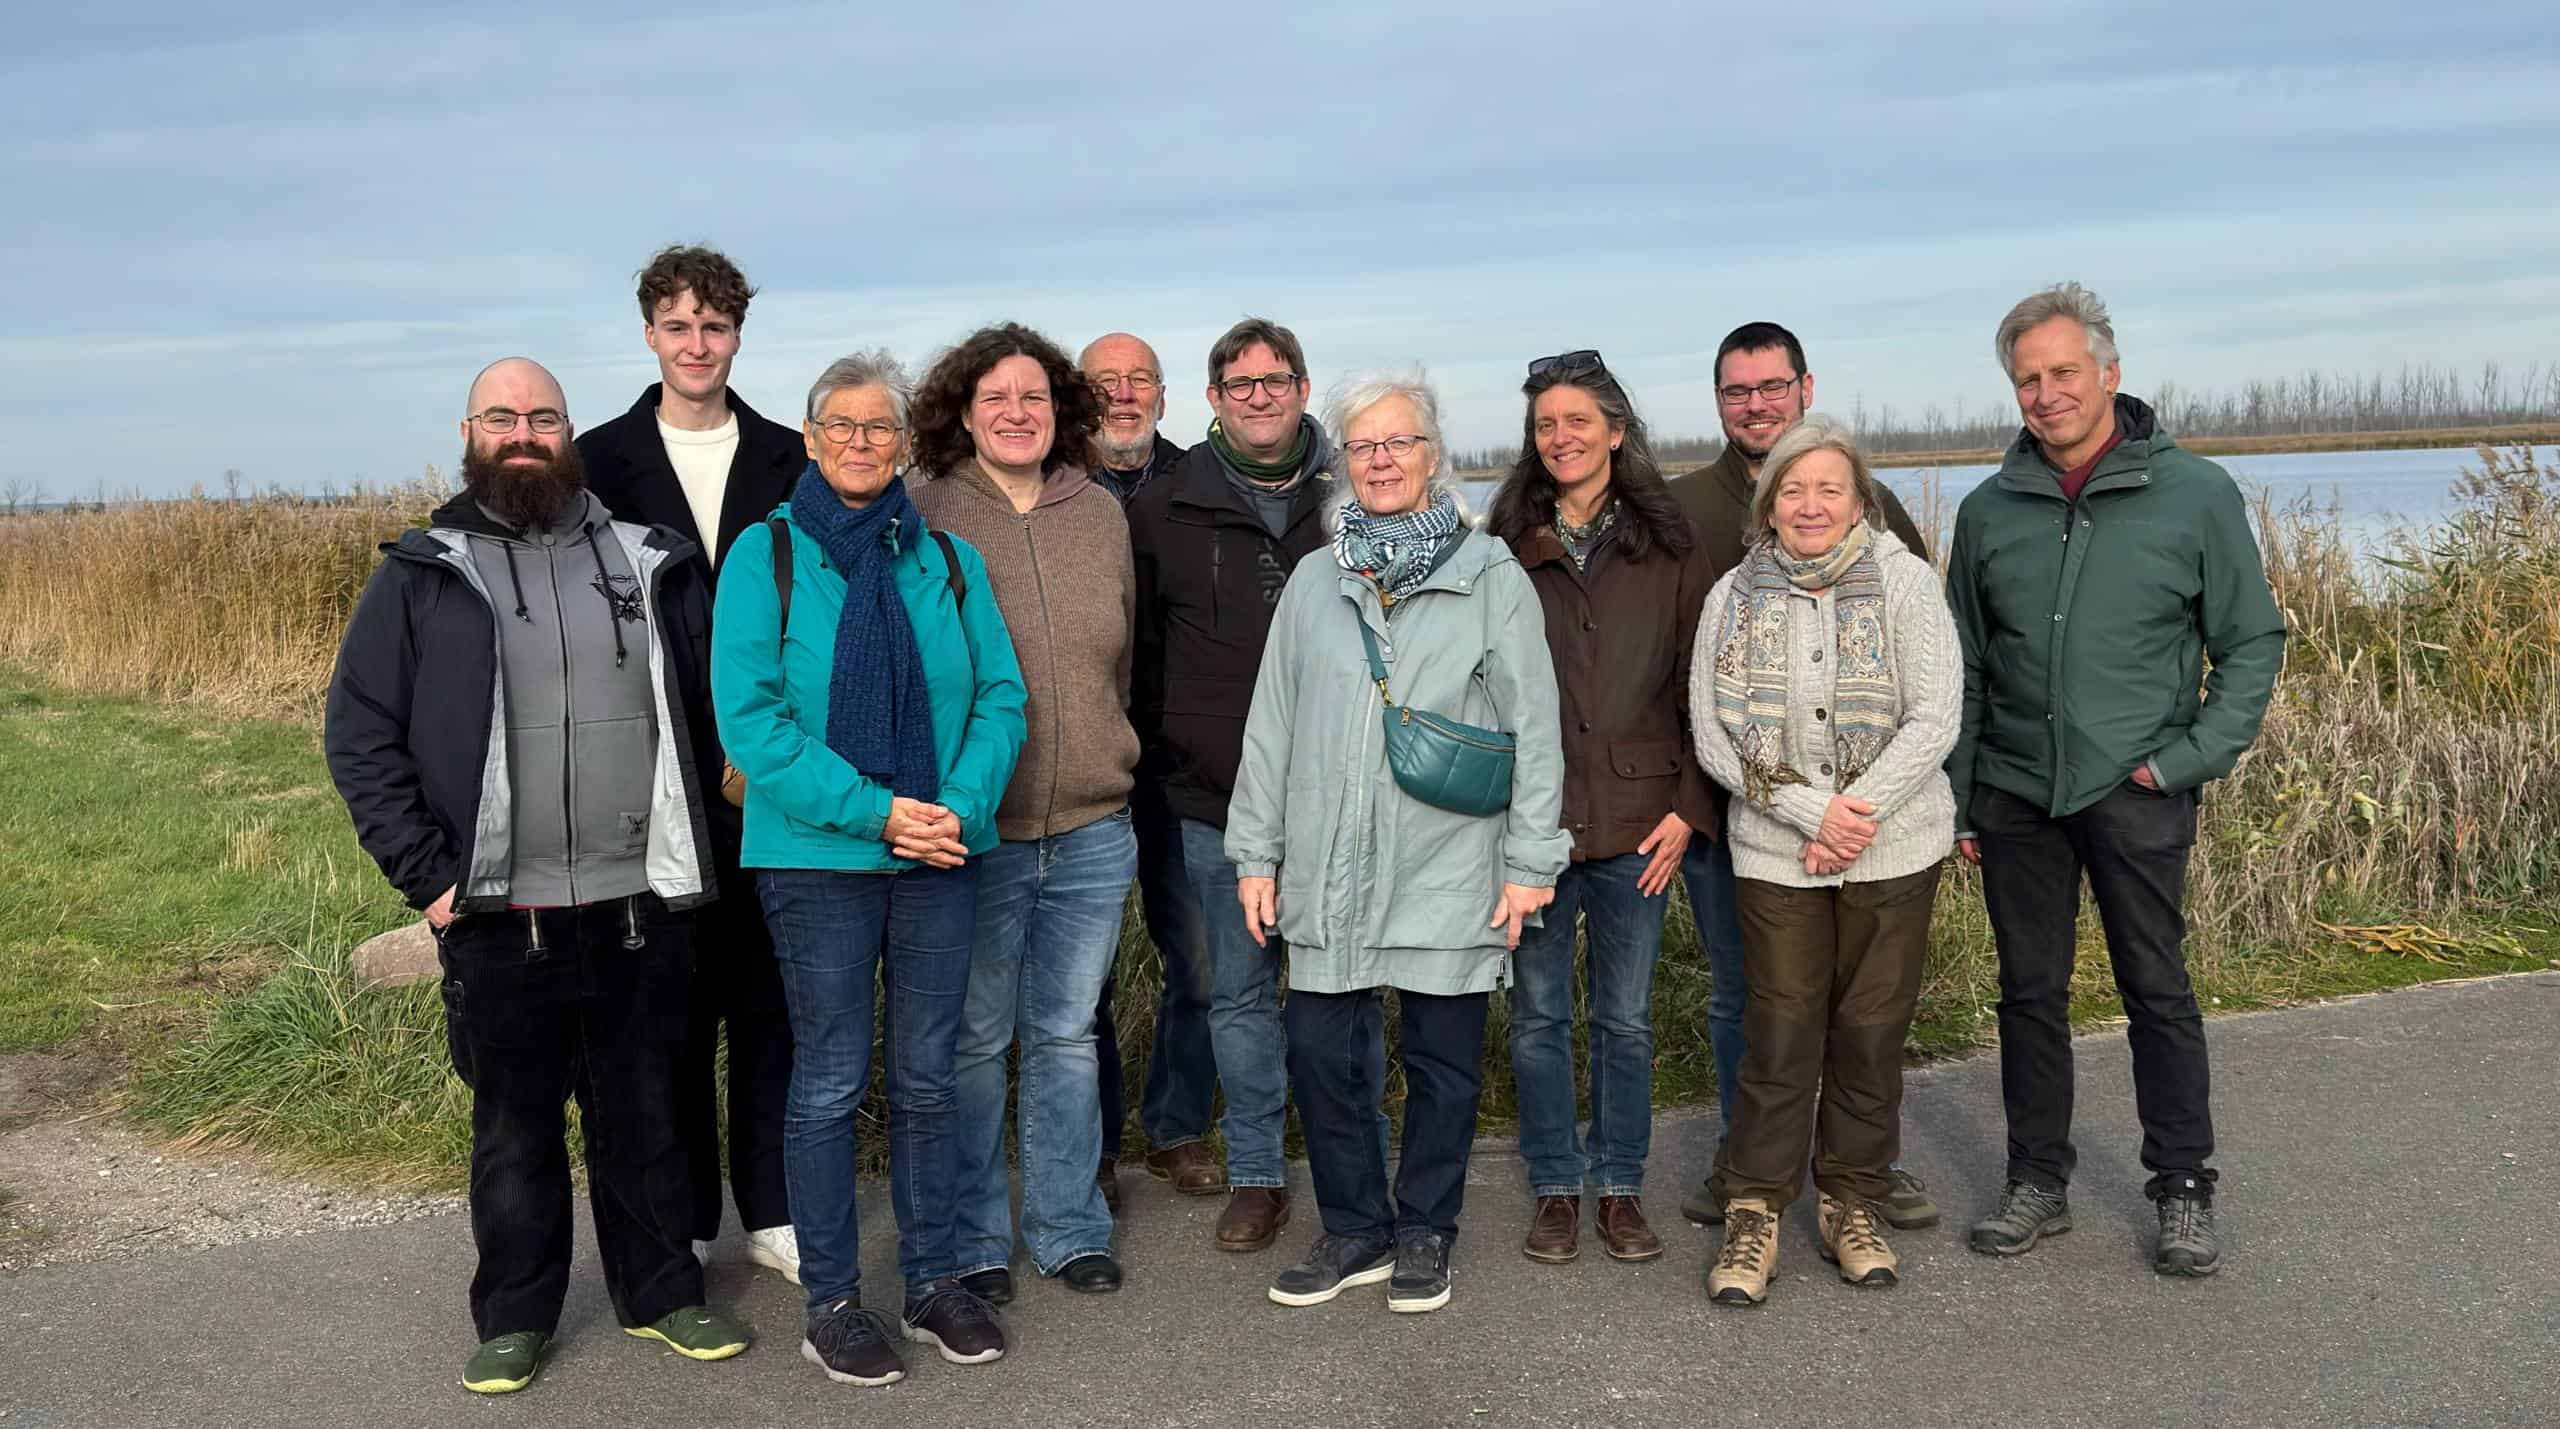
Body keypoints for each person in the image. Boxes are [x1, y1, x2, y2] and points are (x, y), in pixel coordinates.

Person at [325, 357, 749, 1394]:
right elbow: (360, 733)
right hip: (494, 912)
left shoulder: (649, 559)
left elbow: (710, 713)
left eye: (544, 416)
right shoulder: (426, 570)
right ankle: (515, 1314)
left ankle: (660, 1295)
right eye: (503, 416)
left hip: (637, 900)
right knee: (513, 1129)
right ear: (471, 431)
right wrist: (430, 882)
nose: (525, 431)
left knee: (647, 1110)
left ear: (570, 434)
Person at [1949, 284, 2284, 1277]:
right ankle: (2036, 1181)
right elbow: (1962, 659)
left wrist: (2183, 759)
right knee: (2029, 994)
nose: (2045, 393)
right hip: (2016, 790)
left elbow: (2251, 639)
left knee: (2156, 989)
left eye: (2061, 372)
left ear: (2109, 372)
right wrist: (1964, 792)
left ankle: (2182, 1186)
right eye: (2027, 379)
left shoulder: (2195, 494)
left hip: (2133, 789)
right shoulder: (1987, 509)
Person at [712, 351, 1027, 1386]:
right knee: (831, 1081)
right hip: (818, 860)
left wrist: (957, 811)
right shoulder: (769, 558)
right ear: (809, 440)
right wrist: (883, 814)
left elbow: (999, 699)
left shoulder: (944, 560)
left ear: (904, 444)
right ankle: (835, 1302)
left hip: (941, 850)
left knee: (930, 1077)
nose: (860, 443)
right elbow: (755, 725)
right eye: (839, 427)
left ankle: (934, 1280)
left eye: (879, 428)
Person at [1231, 373, 1571, 1315]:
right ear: (1345, 463)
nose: (1380, 459)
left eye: (1400, 442)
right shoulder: (1314, 577)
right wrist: (1255, 853)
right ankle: (1353, 1228)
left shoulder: (1489, 574)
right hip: (1328, 863)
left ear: (1433, 456)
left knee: (1442, 1062)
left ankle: (1425, 1227)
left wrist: (1530, 864)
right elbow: (1273, 722)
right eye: (1363, 445)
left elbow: (1534, 729)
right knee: (1319, 1051)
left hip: (1447, 860)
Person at [1666, 321, 1939, 1234]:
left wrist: (1849, 813)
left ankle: (1859, 1171)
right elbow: (1699, 692)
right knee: (1758, 1003)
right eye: (1738, 391)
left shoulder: (1884, 525)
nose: (1757, 403)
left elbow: (1929, 688)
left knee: (1864, 1013)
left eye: (1771, 387)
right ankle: (1746, 1169)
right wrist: (1800, 809)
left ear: (1803, 387)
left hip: (1872, 821)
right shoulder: (1685, 513)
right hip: (1740, 808)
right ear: (1719, 401)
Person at [578, 244, 804, 1281]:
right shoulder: (595, 462)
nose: (697, 344)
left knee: (769, 995)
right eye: (679, 326)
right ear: (650, 334)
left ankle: (773, 1206)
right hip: (650, 768)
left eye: (714, 326)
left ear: (737, 335)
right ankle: (686, 1212)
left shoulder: (791, 456)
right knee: (668, 1005)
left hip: (770, 771)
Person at [909, 323, 1140, 1298]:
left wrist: (1104, 746)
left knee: (1065, 1033)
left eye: (1035, 397)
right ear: (962, 410)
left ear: (1062, 412)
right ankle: (971, 1240)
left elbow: (1118, 658)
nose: (1016, 413)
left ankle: (1067, 1224)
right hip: (977, 831)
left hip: (1093, 824)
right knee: (972, 1039)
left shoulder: (1102, 515)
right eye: (996, 397)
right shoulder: (923, 513)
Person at [1485, 351, 1719, 1266]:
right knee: (1539, 1017)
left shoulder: (1668, 545)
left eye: (1579, 420)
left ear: (1617, 430)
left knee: (1623, 1018)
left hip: (1642, 824)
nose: (1562, 437)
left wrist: (1691, 806)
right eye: (1546, 425)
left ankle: (1620, 1185)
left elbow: (1709, 682)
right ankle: (1554, 1186)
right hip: (1536, 825)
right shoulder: (1505, 546)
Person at [1123, 317, 1340, 1250]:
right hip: (1212, 800)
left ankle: (1346, 1159)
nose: (1261, 395)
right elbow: (1137, 658)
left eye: (1277, 379)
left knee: (1340, 989)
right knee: (1234, 992)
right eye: (1240, 382)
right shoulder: (1163, 507)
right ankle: (1257, 1171)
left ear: (1301, 388)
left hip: (1340, 795)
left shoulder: (1350, 496)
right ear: (1213, 398)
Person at [1076, 330, 1205, 1215]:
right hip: (1076, 756)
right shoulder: (1043, 484)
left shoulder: (1200, 483)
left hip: (1179, 759)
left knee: (1197, 953)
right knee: (1078, 974)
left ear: (1165, 394)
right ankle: (1090, 1145)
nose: (1123, 394)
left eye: (1139, 380)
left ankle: (1178, 1125)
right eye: (1104, 382)